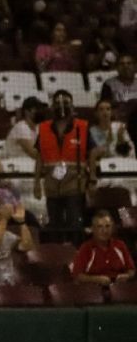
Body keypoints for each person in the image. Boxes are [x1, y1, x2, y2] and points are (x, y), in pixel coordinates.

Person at [34, 90, 97, 235]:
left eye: (66, 103)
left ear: (72, 105)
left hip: (75, 185)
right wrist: (36, 182)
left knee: (74, 226)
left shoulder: (82, 127)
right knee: (54, 226)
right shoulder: (43, 128)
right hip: (52, 185)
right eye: (57, 103)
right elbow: (39, 157)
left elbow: (92, 153)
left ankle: (75, 254)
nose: (61, 106)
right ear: (52, 106)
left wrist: (92, 179)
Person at [72, 210, 135, 285]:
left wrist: (127, 276)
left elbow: (131, 270)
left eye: (107, 226)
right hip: (95, 291)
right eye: (99, 227)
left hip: (119, 288)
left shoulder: (120, 245)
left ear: (112, 228)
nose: (104, 230)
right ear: (93, 229)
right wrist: (96, 279)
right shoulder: (86, 248)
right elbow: (77, 275)